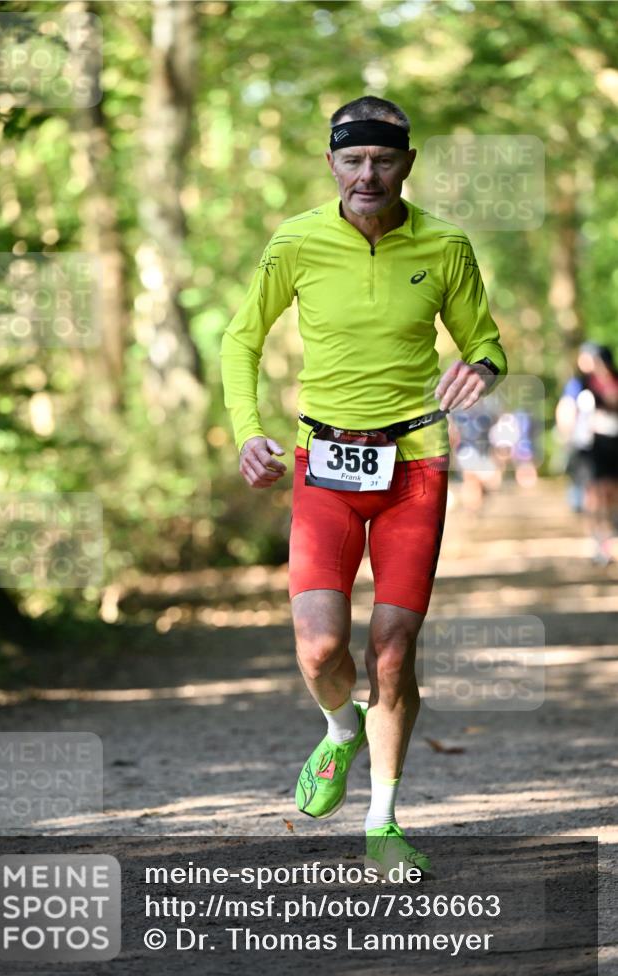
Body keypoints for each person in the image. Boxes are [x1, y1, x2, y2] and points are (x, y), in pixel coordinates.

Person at [221, 96, 508, 876]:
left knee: (391, 650)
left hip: (415, 464)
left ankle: (383, 822)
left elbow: (483, 340)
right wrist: (249, 432)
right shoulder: (297, 242)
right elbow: (241, 337)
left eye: (383, 159)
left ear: (406, 164)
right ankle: (339, 732)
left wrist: (479, 367)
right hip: (325, 466)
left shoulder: (446, 246)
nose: (367, 174)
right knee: (320, 651)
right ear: (331, 164)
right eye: (352, 160)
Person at [557, 343, 618, 563]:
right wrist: (568, 435)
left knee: (611, 494)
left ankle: (609, 536)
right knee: (594, 493)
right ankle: (599, 541)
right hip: (590, 447)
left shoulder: (613, 381)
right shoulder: (580, 384)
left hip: (613, 446)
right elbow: (566, 409)